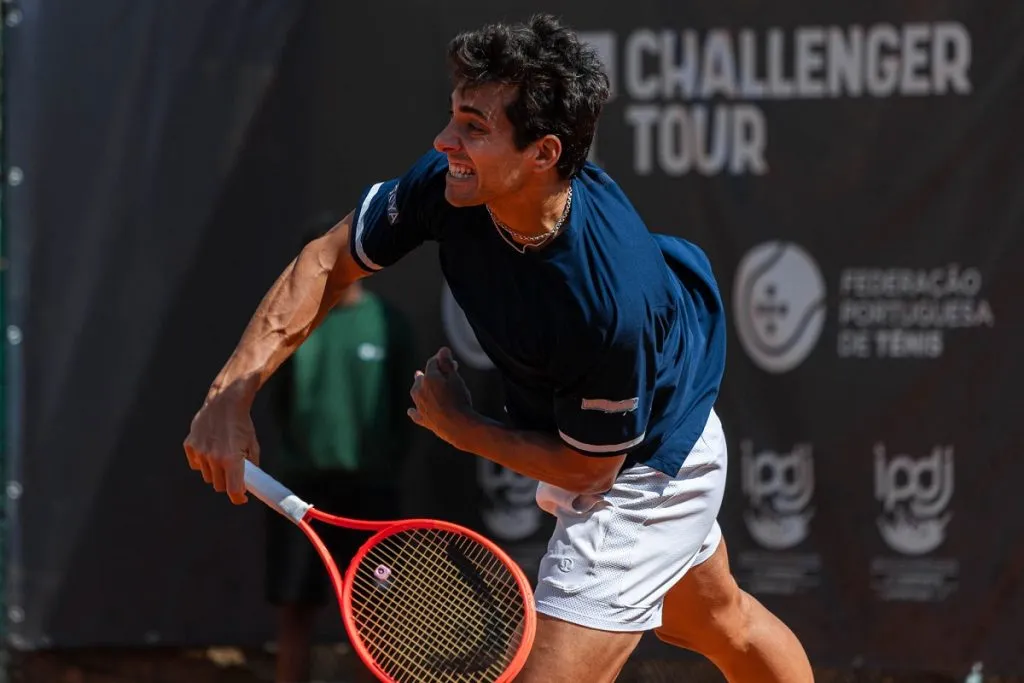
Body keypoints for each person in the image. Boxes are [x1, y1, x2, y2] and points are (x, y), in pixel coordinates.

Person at [183, 14, 814, 683]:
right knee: (717, 621)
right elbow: (325, 261)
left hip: (644, 467)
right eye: (454, 116)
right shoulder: (450, 184)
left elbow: (589, 471)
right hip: (617, 428)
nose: (444, 141)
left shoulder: (605, 302)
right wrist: (229, 397)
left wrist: (463, 427)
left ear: (542, 154)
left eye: (474, 127)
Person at [261, 229, 416, 683]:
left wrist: (381, 465)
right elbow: (280, 402)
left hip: (371, 492)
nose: (329, 269)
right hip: (297, 492)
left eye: (339, 257)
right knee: (295, 607)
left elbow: (409, 406)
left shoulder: (389, 324)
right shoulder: (292, 326)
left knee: (376, 611)